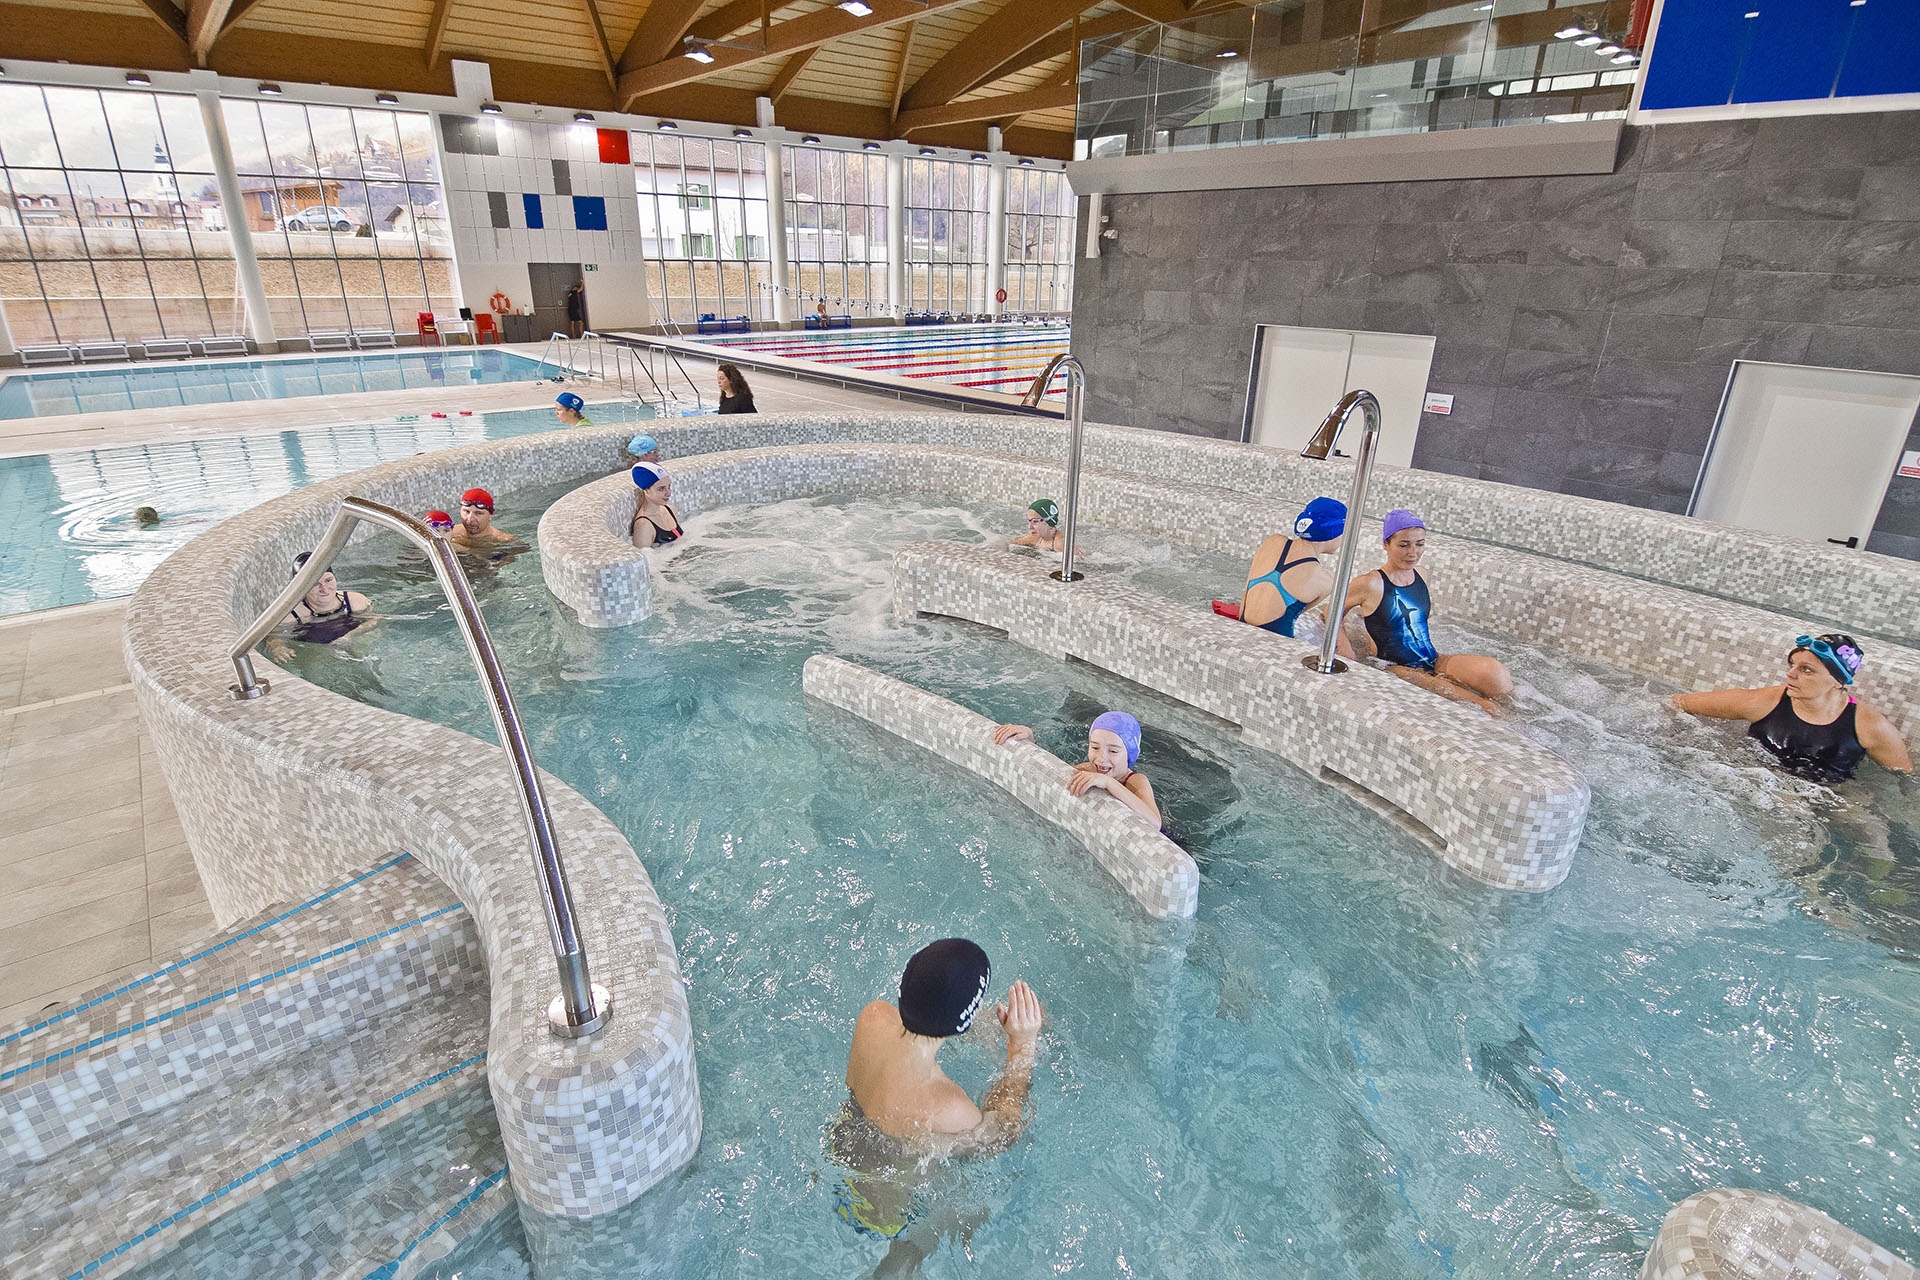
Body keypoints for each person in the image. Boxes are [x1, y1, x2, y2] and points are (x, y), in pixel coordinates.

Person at [1339, 509, 1513, 716]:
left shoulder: (1420, 574)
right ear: (1386, 544)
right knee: (1487, 707)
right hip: (1395, 666)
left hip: (1434, 659)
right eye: (1404, 545)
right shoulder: (1369, 583)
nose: (1413, 552)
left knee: (1495, 672)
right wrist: (1347, 651)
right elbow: (1331, 614)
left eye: (1420, 544)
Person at [1672, 634, 1912, 782]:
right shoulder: (1766, 702)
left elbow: (1903, 779)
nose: (1791, 674)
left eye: (1806, 670)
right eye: (1792, 665)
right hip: (1754, 781)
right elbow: (1680, 702)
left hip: (1830, 798)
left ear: (1838, 681)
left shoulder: (1871, 726)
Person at [994, 711, 1160, 827]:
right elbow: (1049, 773)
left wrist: (1109, 782)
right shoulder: (1088, 768)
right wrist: (1029, 740)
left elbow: (1155, 824)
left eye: (1113, 751)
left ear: (1130, 754)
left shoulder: (1135, 780)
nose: (1101, 758)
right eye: (1095, 747)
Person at [1236, 496, 1346, 639]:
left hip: (1240, 630)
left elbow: (1247, 594)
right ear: (1333, 532)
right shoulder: (1326, 581)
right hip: (1276, 645)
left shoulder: (1273, 542)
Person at [267, 552, 373, 661]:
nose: (325, 589)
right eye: (315, 584)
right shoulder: (291, 615)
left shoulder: (355, 601)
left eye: (328, 580)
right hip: (315, 654)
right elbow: (274, 637)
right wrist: (279, 648)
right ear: (301, 587)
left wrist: (351, 635)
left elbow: (374, 619)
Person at [630, 463, 684, 548]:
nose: (668, 493)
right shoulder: (644, 525)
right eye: (661, 489)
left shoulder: (671, 510)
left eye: (669, 486)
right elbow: (644, 555)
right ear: (646, 490)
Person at [450, 488, 516, 548]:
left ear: (490, 516)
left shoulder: (506, 541)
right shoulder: (450, 532)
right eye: (467, 511)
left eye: (478, 513)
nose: (470, 519)